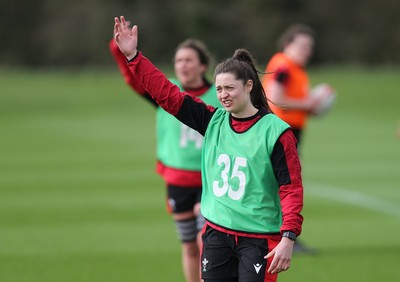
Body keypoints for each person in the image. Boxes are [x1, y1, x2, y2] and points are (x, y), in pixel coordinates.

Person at [113, 16, 304, 282]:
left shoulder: (276, 131)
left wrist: (288, 237)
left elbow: (291, 188)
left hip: (259, 239)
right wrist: (133, 56)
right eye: (219, 89)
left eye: (229, 88)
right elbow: (168, 94)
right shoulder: (212, 120)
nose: (223, 94)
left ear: (249, 86)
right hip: (217, 235)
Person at [109, 30, 220, 282]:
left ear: (202, 65)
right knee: (189, 246)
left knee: (207, 243)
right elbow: (133, 79)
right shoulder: (166, 92)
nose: (183, 65)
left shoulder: (220, 96)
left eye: (189, 60)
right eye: (179, 60)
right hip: (177, 180)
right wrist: (120, 51)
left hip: (210, 181)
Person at [262, 24, 333, 254]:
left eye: (310, 47)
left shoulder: (296, 69)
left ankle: (282, 235)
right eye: (302, 45)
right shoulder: (284, 65)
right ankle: (281, 236)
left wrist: (310, 107)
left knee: (283, 183)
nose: (307, 50)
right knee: (284, 184)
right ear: (287, 44)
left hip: (290, 131)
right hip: (282, 131)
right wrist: (308, 103)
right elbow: (274, 96)